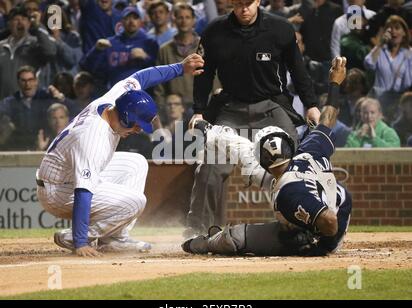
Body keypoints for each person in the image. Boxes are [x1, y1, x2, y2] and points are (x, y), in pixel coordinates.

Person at [36, 53, 204, 257]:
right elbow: (83, 192)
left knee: (136, 163)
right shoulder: (93, 137)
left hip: (66, 176)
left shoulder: (116, 100)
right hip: (57, 191)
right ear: (125, 117)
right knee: (136, 201)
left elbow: (142, 78)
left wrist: (179, 68)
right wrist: (81, 242)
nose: (138, 129)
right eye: (136, 124)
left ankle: (115, 239)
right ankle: (78, 237)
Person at [182, 57, 352, 256]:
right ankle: (207, 130)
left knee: (235, 237)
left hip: (319, 232)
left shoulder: (289, 192)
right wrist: (335, 82)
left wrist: (315, 242)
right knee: (239, 148)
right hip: (324, 193)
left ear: (262, 159)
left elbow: (330, 223)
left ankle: (201, 244)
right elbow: (327, 119)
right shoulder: (310, 149)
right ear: (289, 145)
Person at [184, 0, 320, 237]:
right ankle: (200, 231)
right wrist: (199, 109)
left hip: (271, 107)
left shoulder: (280, 28)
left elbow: (298, 69)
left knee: (296, 162)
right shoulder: (214, 31)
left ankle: (306, 222)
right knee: (210, 164)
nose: (243, 9)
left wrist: (311, 104)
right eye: (237, 4)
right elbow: (203, 74)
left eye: (248, 3)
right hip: (231, 109)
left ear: (258, 1)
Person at [80, 6, 159, 88]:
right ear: (121, 22)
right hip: (115, 93)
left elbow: (159, 71)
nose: (131, 21)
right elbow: (87, 67)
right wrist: (96, 50)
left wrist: (146, 57)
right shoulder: (111, 43)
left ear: (140, 22)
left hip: (143, 91)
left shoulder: (149, 43)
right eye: (127, 18)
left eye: (135, 18)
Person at [364, 15, 412, 122]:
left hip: (398, 105)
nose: (393, 31)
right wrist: (380, 44)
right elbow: (368, 64)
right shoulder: (380, 51)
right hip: (378, 103)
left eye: (397, 28)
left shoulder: (409, 54)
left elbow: (408, 82)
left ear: (404, 32)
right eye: (390, 28)